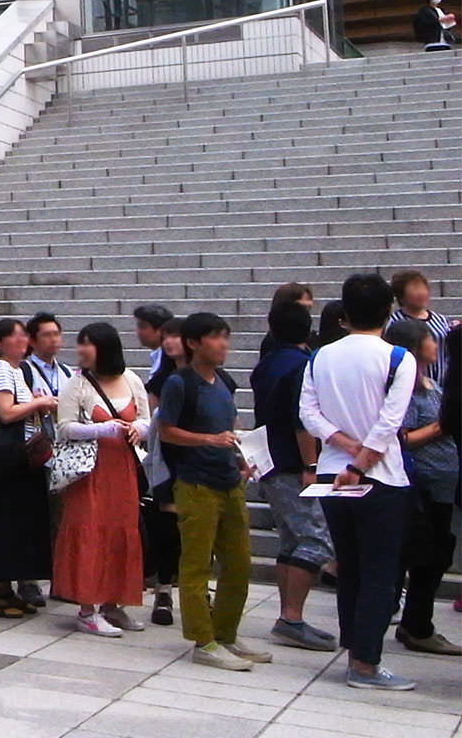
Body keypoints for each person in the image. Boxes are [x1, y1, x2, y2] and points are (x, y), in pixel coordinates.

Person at [302, 273, 422, 690]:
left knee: (350, 566)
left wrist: (345, 448)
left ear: (345, 313)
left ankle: (356, 648)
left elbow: (309, 414)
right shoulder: (397, 358)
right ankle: (365, 663)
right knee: (379, 572)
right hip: (381, 477)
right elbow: (391, 419)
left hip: (333, 473)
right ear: (389, 311)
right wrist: (365, 458)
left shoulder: (320, 357)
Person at [158, 312, 265, 671]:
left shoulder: (224, 382)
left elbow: (229, 427)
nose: (223, 345)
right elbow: (166, 431)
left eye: (225, 337)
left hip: (229, 481)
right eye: (216, 337)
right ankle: (203, 641)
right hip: (196, 484)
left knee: (238, 563)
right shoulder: (179, 383)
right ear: (193, 343)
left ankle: (227, 634)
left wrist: (241, 459)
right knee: (196, 566)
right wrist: (208, 439)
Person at [250, 301, 338, 651]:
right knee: (316, 540)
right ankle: (292, 617)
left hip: (269, 458)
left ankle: (289, 615)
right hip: (292, 462)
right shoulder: (303, 366)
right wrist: (311, 465)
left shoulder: (266, 364)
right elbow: (302, 419)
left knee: (291, 539)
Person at [53, 323, 149, 636]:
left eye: (88, 344)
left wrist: (139, 429)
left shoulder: (131, 379)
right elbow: (64, 427)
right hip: (89, 470)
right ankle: (86, 608)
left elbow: (148, 418)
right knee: (90, 531)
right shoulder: (76, 384)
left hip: (122, 468)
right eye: (81, 344)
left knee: (120, 530)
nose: (81, 350)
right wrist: (102, 429)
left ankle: (113, 602)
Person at [382, 319, 459, 657]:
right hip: (422, 484)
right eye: (428, 337)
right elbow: (402, 439)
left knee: (437, 555)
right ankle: (415, 625)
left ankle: (417, 622)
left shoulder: (433, 384)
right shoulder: (406, 390)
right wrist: (443, 426)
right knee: (425, 556)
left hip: (443, 483)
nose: (434, 342)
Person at [0, 319, 55, 619]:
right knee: (4, 523)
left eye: (25, 336)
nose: (23, 341)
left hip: (20, 460)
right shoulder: (1, 370)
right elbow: (6, 412)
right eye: (16, 336)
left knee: (16, 525)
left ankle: (4, 588)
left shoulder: (17, 371)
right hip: (7, 460)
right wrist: (39, 404)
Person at [141, 325, 185, 626]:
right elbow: (154, 430)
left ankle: (196, 589)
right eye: (166, 336)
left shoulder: (217, 380)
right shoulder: (161, 381)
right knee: (168, 529)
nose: (170, 342)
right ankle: (164, 589)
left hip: (201, 466)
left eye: (176, 336)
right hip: (167, 464)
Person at [390, 270, 453, 388]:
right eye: (414, 289)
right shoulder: (395, 322)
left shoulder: (441, 320)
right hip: (413, 385)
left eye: (423, 288)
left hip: (443, 382)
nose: (421, 293)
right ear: (401, 297)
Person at [132, 304, 174, 378]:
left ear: (160, 330)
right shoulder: (158, 356)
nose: (138, 332)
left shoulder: (171, 361)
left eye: (143, 327)